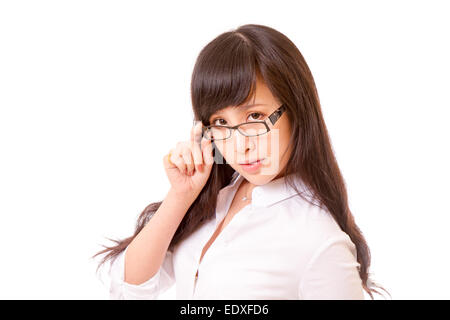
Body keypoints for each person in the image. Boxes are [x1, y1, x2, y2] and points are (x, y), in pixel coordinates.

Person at [93, 24, 388, 300]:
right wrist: (181, 195)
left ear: (297, 110)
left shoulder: (318, 241)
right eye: (220, 122)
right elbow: (128, 286)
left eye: (255, 117)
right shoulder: (218, 195)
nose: (240, 145)